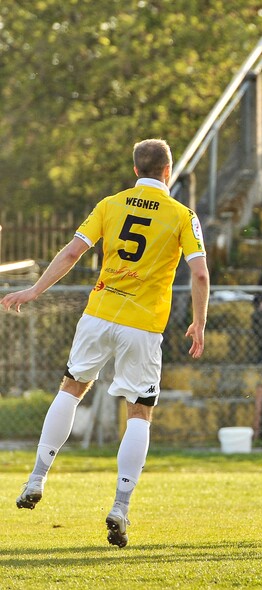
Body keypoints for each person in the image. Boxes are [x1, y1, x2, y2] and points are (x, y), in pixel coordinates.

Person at [1, 139, 210, 547]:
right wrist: (199, 323)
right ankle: (120, 507)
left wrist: (34, 291)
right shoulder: (183, 215)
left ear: (136, 171)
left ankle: (37, 477)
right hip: (143, 324)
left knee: (71, 388)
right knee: (139, 412)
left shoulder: (110, 204)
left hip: (99, 313)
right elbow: (200, 275)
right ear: (167, 172)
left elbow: (71, 254)